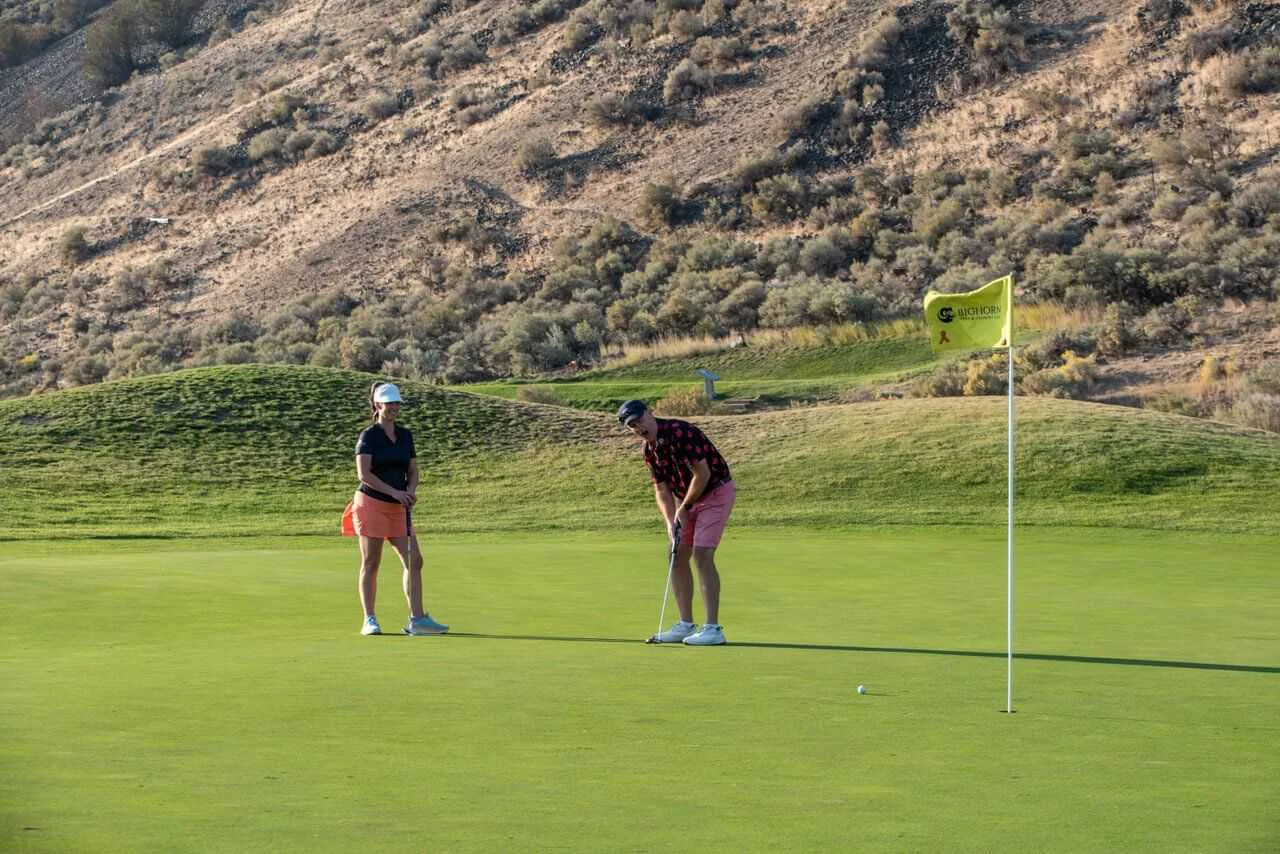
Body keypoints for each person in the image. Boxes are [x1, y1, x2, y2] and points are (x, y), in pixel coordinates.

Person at [618, 399, 736, 646]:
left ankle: (713, 629)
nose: (639, 428)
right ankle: (685, 625)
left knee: (702, 554)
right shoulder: (649, 450)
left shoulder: (682, 432)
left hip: (715, 492)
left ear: (650, 413)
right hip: (687, 500)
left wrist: (685, 507)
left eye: (640, 420)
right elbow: (661, 489)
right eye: (632, 426)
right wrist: (670, 521)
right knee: (676, 554)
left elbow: (702, 474)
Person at [340, 381, 448, 637]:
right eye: (388, 403)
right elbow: (364, 473)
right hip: (371, 505)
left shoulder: (405, 435)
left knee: (414, 560)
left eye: (396, 403)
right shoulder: (369, 436)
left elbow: (412, 469)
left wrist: (410, 489)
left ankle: (418, 619)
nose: (393, 407)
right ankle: (370, 619)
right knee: (371, 562)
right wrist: (395, 492)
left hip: (398, 506)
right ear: (378, 405)